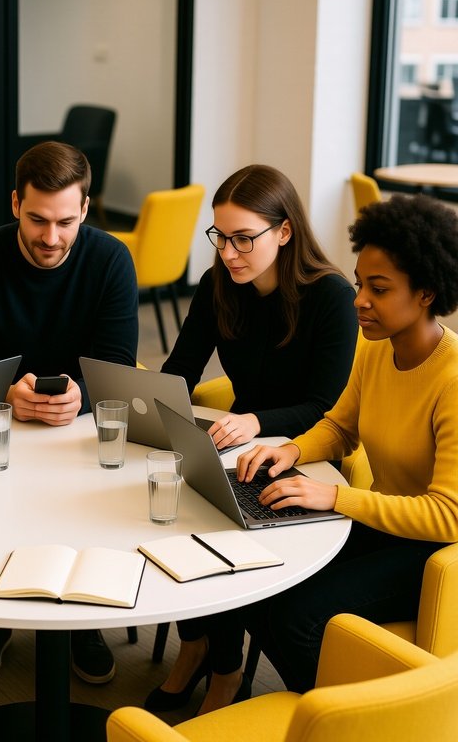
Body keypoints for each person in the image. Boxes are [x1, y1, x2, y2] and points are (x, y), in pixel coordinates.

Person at [146, 164, 358, 715]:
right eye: (221, 238)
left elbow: (327, 405)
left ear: (284, 232)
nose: (230, 253)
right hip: (241, 443)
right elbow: (181, 370)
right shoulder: (219, 285)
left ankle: (226, 668)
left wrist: (258, 420)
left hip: (308, 451)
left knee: (217, 526)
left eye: (245, 239)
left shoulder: (330, 296)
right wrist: (144, 401)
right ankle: (196, 646)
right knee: (168, 503)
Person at [237, 193, 458, 693]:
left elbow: (449, 514)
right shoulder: (378, 349)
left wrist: (335, 497)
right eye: (360, 284)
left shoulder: (452, 379)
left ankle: (352, 721)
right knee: (260, 583)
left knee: (297, 617)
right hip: (387, 518)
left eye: (378, 289)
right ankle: (319, 703)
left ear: (425, 293)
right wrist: (290, 450)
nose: (359, 300)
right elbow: (340, 426)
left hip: (437, 549)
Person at [0, 140, 138, 683]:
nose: (51, 238)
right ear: (13, 204)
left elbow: (118, 365)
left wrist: (84, 398)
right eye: (37, 220)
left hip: (81, 430)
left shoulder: (111, 259)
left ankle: (80, 623)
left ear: (87, 210)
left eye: (66, 222)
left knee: (88, 497)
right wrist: (5, 392)